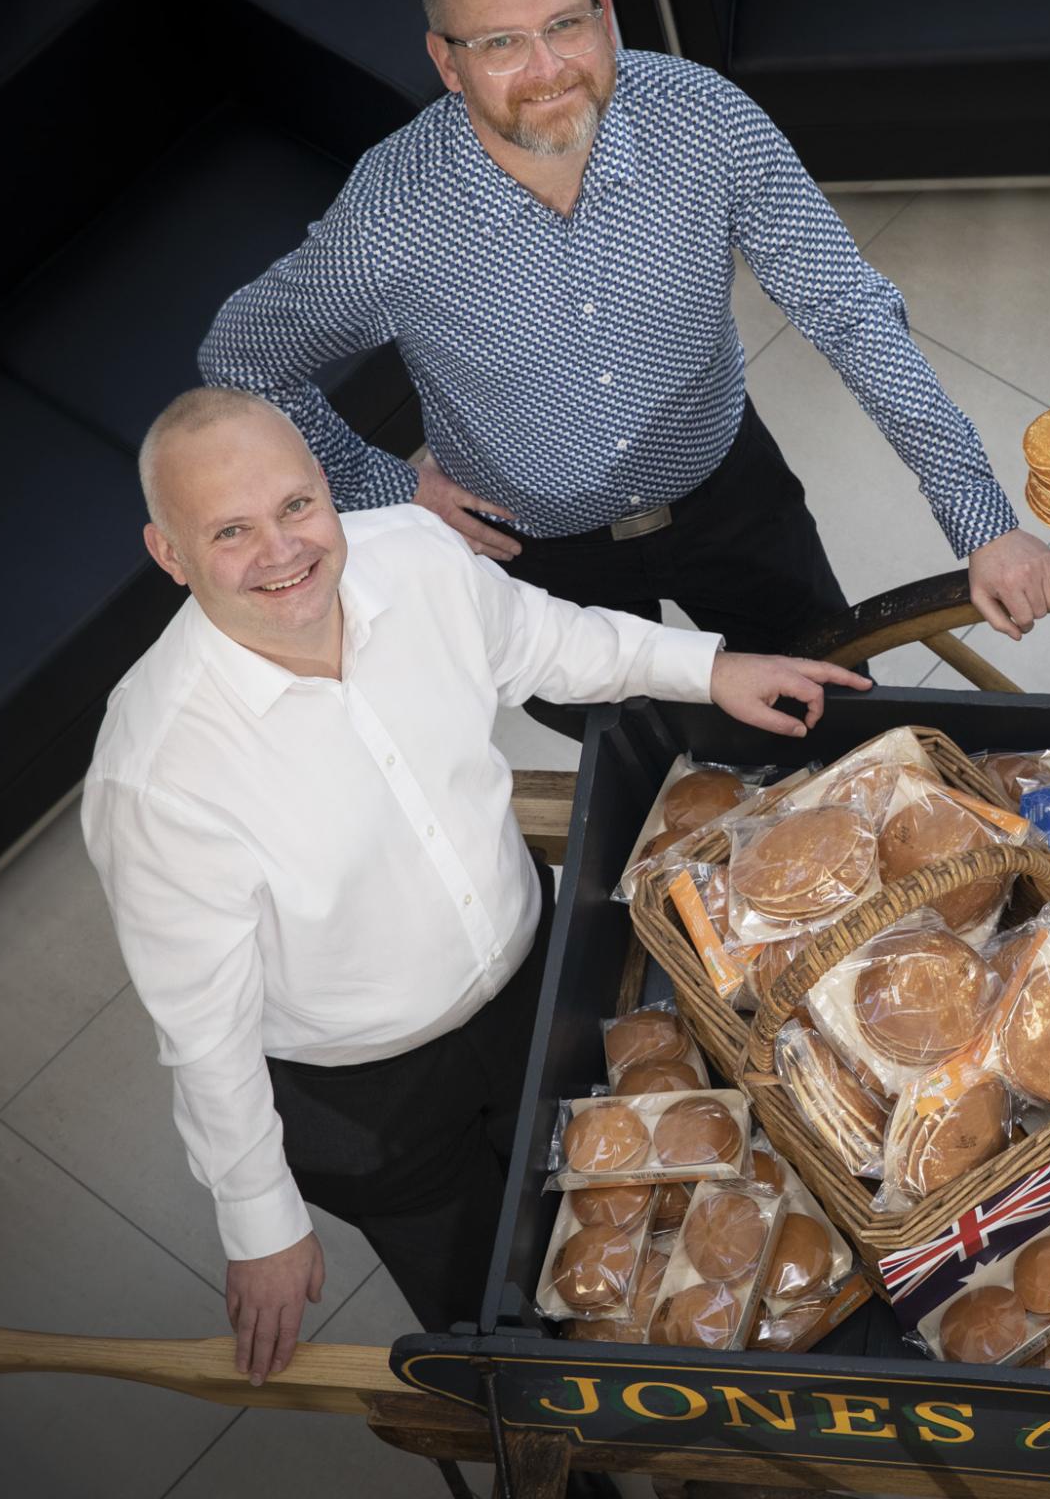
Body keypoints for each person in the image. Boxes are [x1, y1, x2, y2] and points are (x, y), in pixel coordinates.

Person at [82, 386, 865, 1385]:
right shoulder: (154, 773)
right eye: (231, 531)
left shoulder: (413, 555)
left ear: (327, 489)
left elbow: (552, 640)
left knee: (639, 1230)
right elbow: (204, 1026)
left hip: (537, 986)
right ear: (170, 554)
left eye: (294, 507)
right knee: (505, 1341)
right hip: (372, 1099)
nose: (282, 551)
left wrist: (708, 668)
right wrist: (259, 1221)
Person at [199, 0, 1050, 698]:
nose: (547, 72)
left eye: (565, 26)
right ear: (447, 62)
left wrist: (981, 520)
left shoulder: (704, 120)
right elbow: (242, 360)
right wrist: (390, 486)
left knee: (825, 699)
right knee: (648, 770)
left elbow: (848, 310)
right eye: (501, 44)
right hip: (535, 558)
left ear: (604, 15)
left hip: (731, 495)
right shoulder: (390, 219)